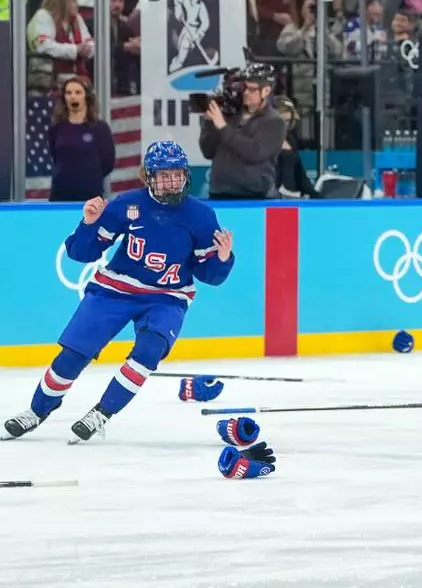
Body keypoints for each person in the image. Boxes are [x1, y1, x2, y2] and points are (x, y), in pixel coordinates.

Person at [1, 142, 234, 443]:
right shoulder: (127, 204)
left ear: (186, 176)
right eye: (164, 176)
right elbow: (81, 253)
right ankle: (36, 411)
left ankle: (101, 413)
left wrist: (223, 259)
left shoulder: (201, 216)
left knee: (149, 350)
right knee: (73, 355)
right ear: (149, 177)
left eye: (176, 175)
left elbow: (209, 275)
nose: (171, 182)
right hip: (114, 289)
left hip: (168, 296)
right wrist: (88, 223)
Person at [198, 64, 288, 199]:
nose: (246, 93)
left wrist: (223, 127)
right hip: (219, 193)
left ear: (266, 90)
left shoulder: (275, 122)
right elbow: (208, 151)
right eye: (244, 88)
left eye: (252, 89)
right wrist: (209, 124)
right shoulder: (230, 116)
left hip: (254, 197)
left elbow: (255, 152)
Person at [48, 76, 115, 202]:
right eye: (69, 93)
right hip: (60, 194)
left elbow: (108, 163)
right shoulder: (56, 127)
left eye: (78, 92)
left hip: (90, 196)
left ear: (87, 97)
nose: (73, 96)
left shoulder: (100, 128)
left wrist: (89, 177)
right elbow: (55, 156)